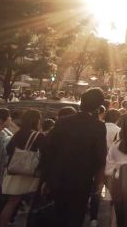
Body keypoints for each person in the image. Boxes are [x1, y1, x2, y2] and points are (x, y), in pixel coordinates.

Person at [40, 88, 107, 227]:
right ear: (98, 106)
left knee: (58, 215)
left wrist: (47, 177)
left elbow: (48, 149)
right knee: (76, 216)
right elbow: (100, 156)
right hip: (82, 180)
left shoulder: (63, 121)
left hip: (58, 177)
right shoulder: (98, 126)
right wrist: (98, 182)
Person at [0, 110, 45, 227]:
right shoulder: (39, 135)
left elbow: (8, 150)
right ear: (37, 120)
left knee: (12, 202)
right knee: (21, 202)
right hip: (28, 173)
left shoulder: (18, 133)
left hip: (13, 170)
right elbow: (45, 154)